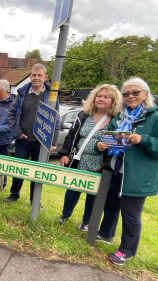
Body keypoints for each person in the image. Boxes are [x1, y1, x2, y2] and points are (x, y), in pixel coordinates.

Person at [96, 77, 158, 265]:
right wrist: (101, 145)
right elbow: (111, 139)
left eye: (135, 92)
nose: (130, 96)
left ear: (145, 94)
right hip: (115, 169)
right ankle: (106, 234)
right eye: (127, 93)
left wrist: (144, 140)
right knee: (110, 206)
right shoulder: (120, 117)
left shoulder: (154, 117)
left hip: (136, 176)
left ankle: (126, 251)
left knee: (130, 214)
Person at [57, 84, 121, 232]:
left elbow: (119, 143)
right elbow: (72, 135)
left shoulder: (116, 120)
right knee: (73, 188)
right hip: (79, 159)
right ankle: (65, 215)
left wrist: (104, 147)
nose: (101, 99)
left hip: (100, 163)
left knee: (93, 194)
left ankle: (86, 221)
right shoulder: (84, 114)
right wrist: (65, 153)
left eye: (106, 97)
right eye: (99, 96)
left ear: (113, 100)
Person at [4, 63, 60, 207]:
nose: (36, 78)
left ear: (45, 77)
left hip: (41, 143)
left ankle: (34, 200)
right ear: (30, 76)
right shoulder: (22, 94)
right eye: (33, 75)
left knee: (38, 174)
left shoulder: (52, 96)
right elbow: (11, 114)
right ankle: (14, 195)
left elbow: (56, 119)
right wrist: (17, 132)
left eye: (39, 75)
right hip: (23, 140)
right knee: (19, 170)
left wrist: (52, 141)